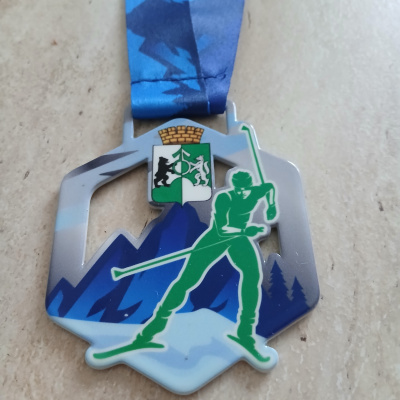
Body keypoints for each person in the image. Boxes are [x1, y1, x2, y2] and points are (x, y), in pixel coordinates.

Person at [94, 170, 277, 362]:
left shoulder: (253, 192)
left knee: (252, 277)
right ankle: (148, 334)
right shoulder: (225, 198)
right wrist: (246, 230)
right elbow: (221, 228)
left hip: (239, 241)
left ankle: (245, 333)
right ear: (234, 187)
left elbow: (269, 188)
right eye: (239, 189)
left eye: (246, 190)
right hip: (216, 238)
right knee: (186, 281)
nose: (242, 193)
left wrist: (271, 207)